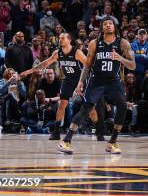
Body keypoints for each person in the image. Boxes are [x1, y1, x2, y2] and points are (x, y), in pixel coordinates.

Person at [58, 17, 136, 155]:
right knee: (87, 108)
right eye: (105, 24)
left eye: (110, 23)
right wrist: (81, 81)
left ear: (114, 26)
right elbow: (87, 65)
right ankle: (66, 140)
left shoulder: (123, 43)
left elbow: (133, 65)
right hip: (97, 80)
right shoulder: (95, 43)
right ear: (102, 28)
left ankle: (112, 142)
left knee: (123, 105)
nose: (108, 25)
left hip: (113, 80)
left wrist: (120, 58)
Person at [19, 32, 97, 140]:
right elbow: (45, 63)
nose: (60, 40)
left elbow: (88, 65)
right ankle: (56, 131)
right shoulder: (57, 53)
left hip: (80, 80)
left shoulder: (77, 52)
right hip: (68, 80)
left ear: (69, 40)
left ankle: (98, 128)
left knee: (90, 107)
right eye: (59, 38)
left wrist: (90, 79)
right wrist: (29, 71)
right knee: (62, 105)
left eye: (63, 38)